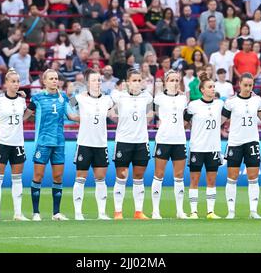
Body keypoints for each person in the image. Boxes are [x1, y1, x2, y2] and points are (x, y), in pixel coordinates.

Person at [24, 69, 79, 221]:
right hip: (42, 142)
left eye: (56, 78)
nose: (55, 81)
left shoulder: (64, 98)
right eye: (51, 78)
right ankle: (36, 212)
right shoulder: (37, 98)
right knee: (38, 176)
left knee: (58, 176)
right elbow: (25, 116)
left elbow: (72, 115)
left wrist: (88, 117)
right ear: (44, 81)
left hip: (59, 143)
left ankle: (56, 213)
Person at [222, 72, 261, 219]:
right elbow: (220, 120)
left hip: (252, 142)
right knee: (232, 176)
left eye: (250, 85)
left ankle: (253, 211)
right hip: (235, 143)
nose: (248, 88)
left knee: (253, 177)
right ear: (239, 84)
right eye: (245, 85)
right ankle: (231, 211)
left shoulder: (257, 100)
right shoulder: (231, 102)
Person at [0, 69, 29, 222]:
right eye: (13, 81)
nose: (16, 84)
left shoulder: (22, 100)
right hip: (2, 143)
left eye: (18, 81)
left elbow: (25, 115)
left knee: (17, 179)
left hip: (17, 143)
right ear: (6, 83)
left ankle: (18, 213)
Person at [111, 68, 153, 220]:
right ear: (127, 82)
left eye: (139, 80)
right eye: (133, 80)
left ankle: (138, 211)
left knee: (139, 176)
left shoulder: (147, 97)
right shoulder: (118, 96)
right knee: (121, 176)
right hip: (123, 141)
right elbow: (110, 107)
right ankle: (118, 212)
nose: (136, 83)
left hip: (141, 141)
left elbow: (150, 113)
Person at [72, 69, 113, 220]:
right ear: (88, 83)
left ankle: (102, 212)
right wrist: (76, 117)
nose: (98, 83)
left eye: (99, 80)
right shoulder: (80, 98)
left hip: (101, 144)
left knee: (101, 178)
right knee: (80, 177)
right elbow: (68, 105)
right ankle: (78, 212)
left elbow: (112, 112)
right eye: (94, 80)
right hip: (84, 143)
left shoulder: (107, 100)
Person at [185, 72, 225, 219]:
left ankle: (210, 212)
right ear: (202, 89)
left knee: (211, 180)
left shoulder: (220, 104)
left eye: (214, 86)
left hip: (213, 147)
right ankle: (194, 211)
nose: (213, 89)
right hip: (197, 147)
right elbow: (185, 122)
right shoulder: (193, 105)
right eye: (210, 87)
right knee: (194, 180)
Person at [151, 70, 188, 220]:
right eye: (171, 80)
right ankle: (155, 211)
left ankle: (180, 211)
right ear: (166, 82)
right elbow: (150, 113)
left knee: (179, 176)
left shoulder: (183, 98)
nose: (174, 83)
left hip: (179, 140)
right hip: (163, 139)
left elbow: (185, 118)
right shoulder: (159, 98)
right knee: (159, 174)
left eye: (176, 80)